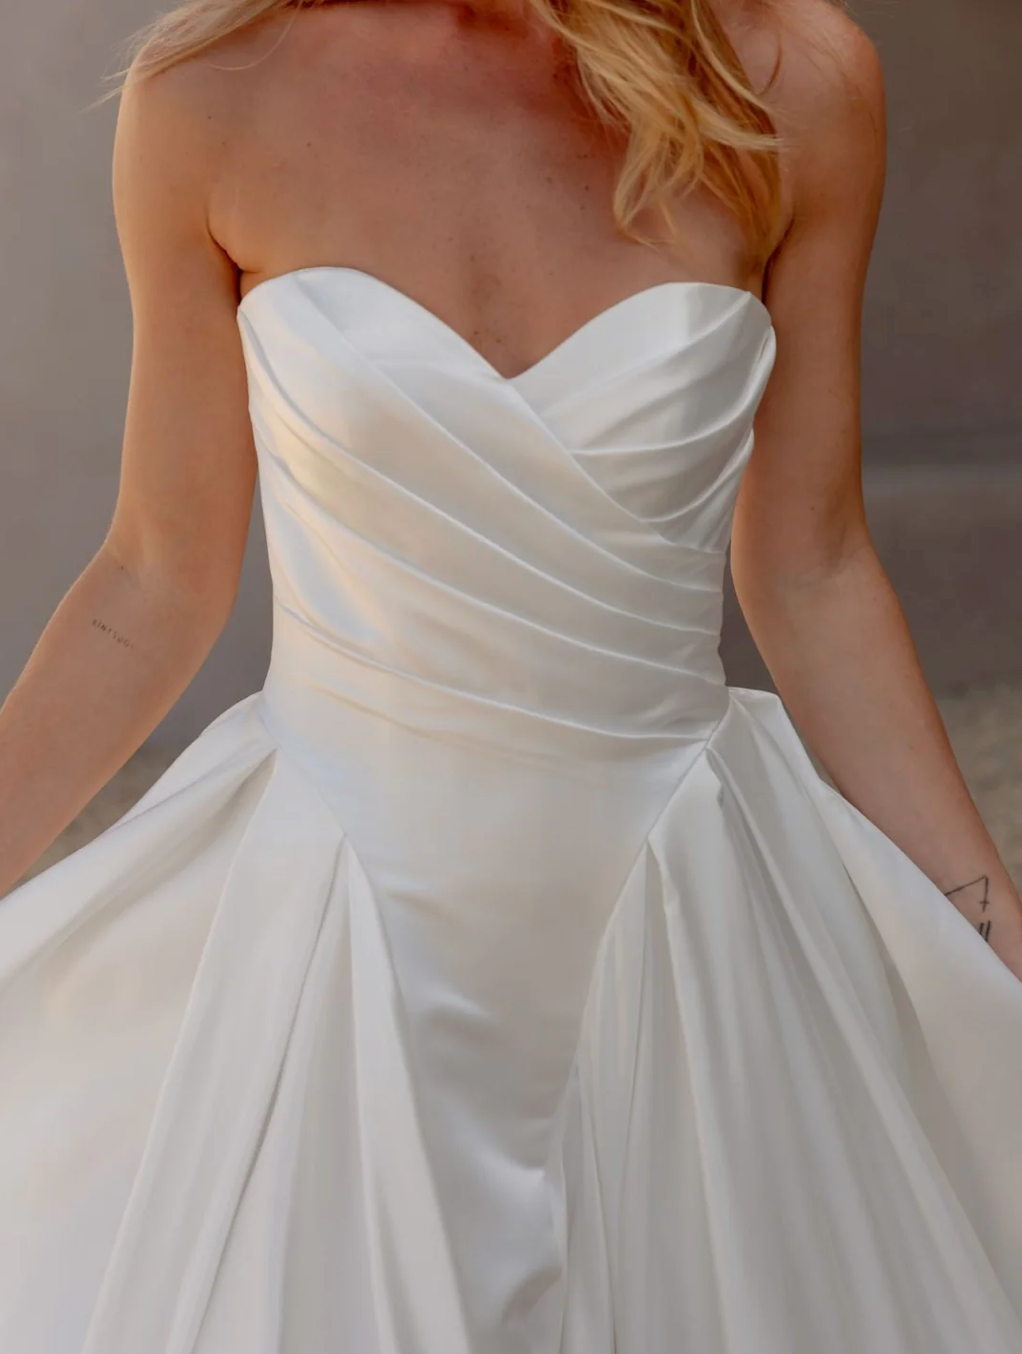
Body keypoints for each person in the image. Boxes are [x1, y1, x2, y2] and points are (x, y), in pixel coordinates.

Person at [1, 0, 1020, 1348]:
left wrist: (986, 923)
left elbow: (812, 566)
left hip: (684, 898)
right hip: (329, 914)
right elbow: (153, 579)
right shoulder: (211, 91)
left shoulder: (794, 79)